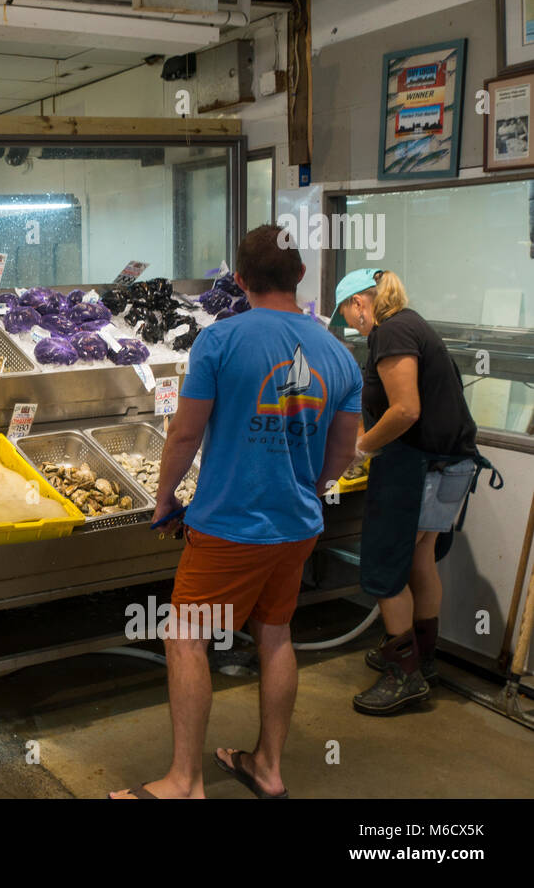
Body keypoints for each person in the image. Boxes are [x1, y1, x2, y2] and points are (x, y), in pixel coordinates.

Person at [110, 225, 362, 799]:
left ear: (240, 280)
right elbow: (343, 453)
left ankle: (184, 781)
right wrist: (308, 485)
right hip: (297, 525)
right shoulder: (339, 353)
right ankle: (269, 768)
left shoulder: (221, 342)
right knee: (275, 635)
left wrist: (166, 496)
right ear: (300, 276)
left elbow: (183, 436)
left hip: (229, 524)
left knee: (185, 637)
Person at [332, 269, 490, 715]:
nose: (352, 325)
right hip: (450, 463)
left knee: (384, 569)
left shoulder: (392, 330)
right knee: (421, 557)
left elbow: (404, 409)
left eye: (349, 315)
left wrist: (360, 447)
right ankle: (422, 657)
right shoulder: (412, 323)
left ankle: (405, 677)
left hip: (418, 469)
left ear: (360, 303)